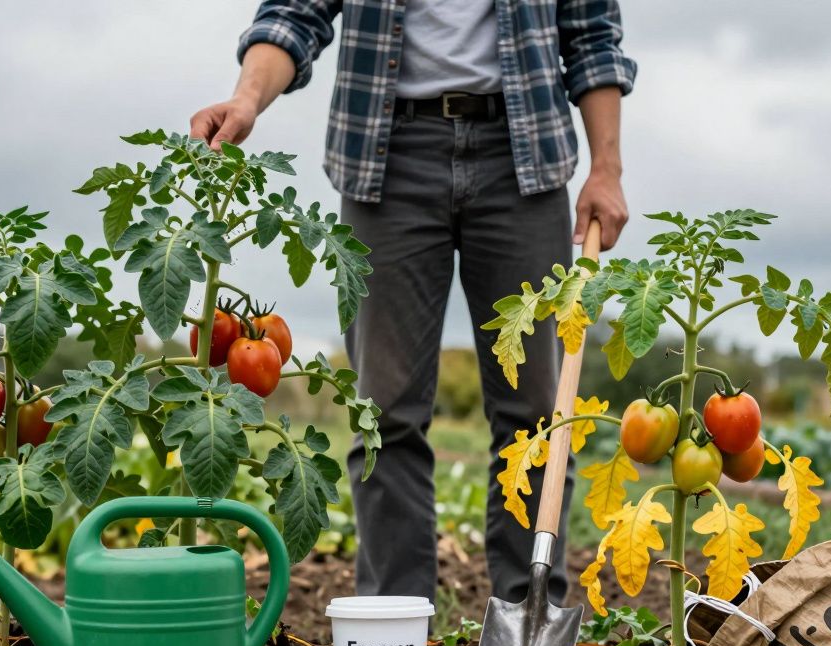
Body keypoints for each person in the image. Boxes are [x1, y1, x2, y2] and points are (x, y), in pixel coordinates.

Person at [191, 0, 636, 605]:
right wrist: (246, 100)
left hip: (524, 154)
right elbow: (294, 16)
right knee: (386, 412)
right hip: (386, 153)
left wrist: (605, 167)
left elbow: (590, 34)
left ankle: (530, 606)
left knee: (536, 413)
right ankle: (394, 629)